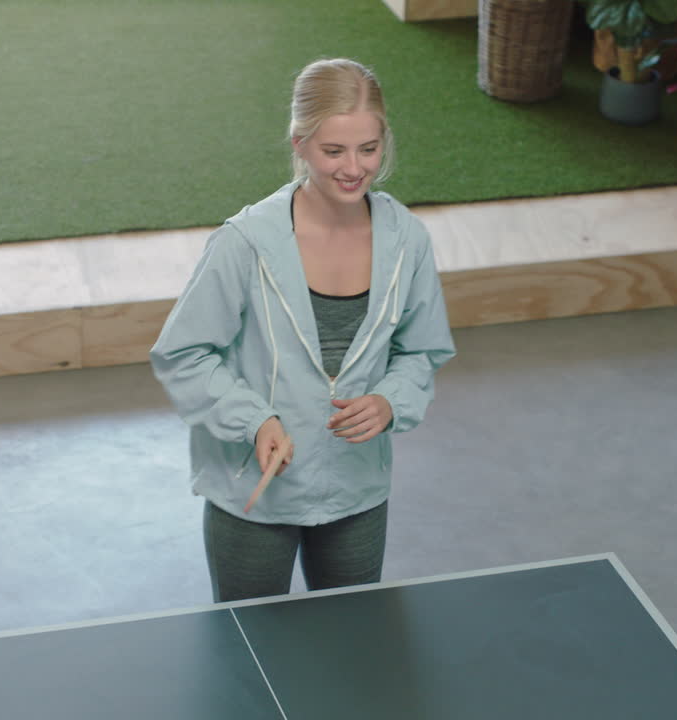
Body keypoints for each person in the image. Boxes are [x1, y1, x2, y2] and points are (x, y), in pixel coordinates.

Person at [150, 58, 455, 602]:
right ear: (298, 143)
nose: (354, 168)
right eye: (332, 151)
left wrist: (390, 400)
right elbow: (185, 353)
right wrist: (254, 419)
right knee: (252, 650)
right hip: (255, 492)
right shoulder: (243, 243)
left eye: (369, 148)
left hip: (356, 490)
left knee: (347, 644)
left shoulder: (408, 239)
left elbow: (422, 350)